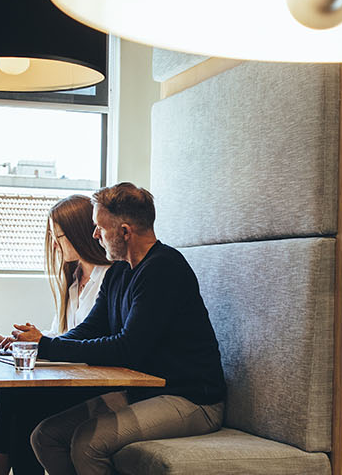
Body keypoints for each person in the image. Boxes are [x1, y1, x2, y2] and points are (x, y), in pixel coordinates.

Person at [16, 182, 227, 475]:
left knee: (87, 444)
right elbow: (91, 328)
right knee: (46, 436)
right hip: (147, 393)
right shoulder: (118, 272)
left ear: (125, 232)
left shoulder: (164, 268)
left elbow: (127, 348)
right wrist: (40, 345)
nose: (94, 235)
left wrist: (48, 346)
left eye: (99, 228)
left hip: (191, 399)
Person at [0, 195, 115, 475]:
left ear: (80, 234)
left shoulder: (109, 279)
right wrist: (23, 339)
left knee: (24, 397)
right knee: (10, 390)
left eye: (59, 236)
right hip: (69, 374)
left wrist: (43, 342)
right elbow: (62, 334)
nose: (55, 244)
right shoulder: (72, 281)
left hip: (93, 381)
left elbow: (89, 340)